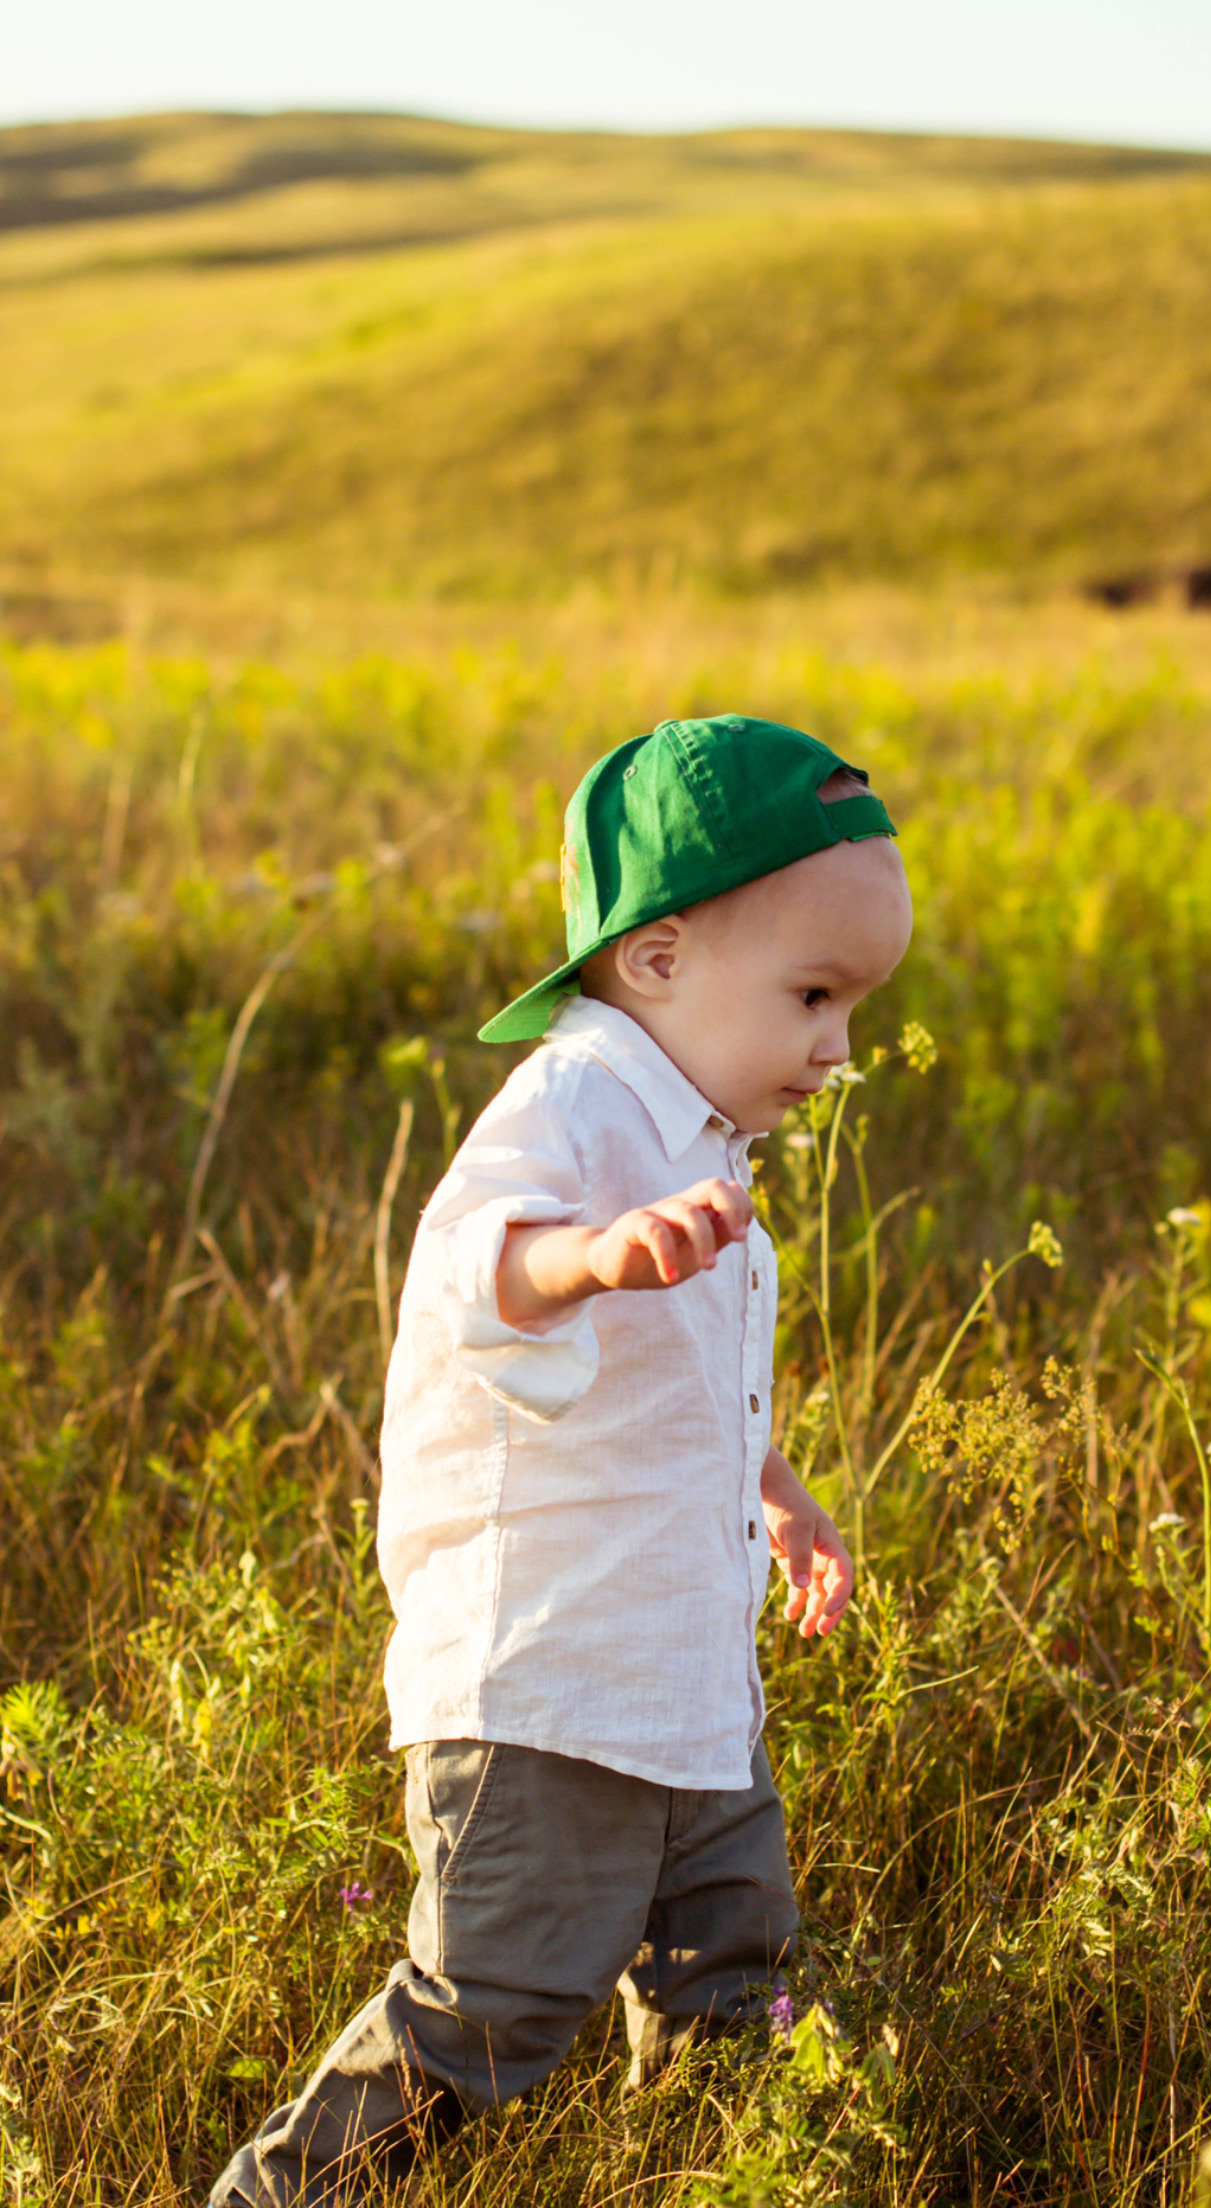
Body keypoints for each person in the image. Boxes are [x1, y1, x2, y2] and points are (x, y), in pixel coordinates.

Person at [209, 713, 913, 2206]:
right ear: (653, 958)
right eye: (811, 995)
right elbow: (472, 1267)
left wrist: (776, 1499)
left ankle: (721, 2172)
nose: (835, 1048)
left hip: (677, 1677)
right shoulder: (578, 1099)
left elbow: (697, 1376)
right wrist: (589, 1255)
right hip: (549, 1684)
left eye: (850, 1006)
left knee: (733, 1974)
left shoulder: (702, 1128)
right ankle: (278, 2197)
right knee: (493, 2007)